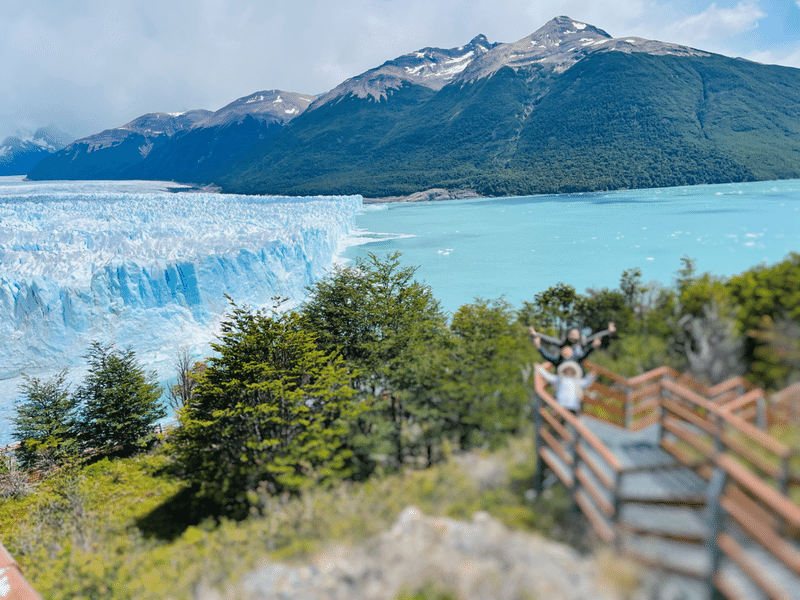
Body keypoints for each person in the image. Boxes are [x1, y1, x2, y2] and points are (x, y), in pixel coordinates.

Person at [529, 322, 615, 365]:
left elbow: (595, 336)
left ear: (579, 336)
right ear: (568, 335)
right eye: (572, 334)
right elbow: (549, 339)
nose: (573, 336)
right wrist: (536, 334)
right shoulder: (562, 343)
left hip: (578, 364)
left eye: (575, 334)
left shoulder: (582, 342)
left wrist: (608, 331)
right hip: (564, 365)